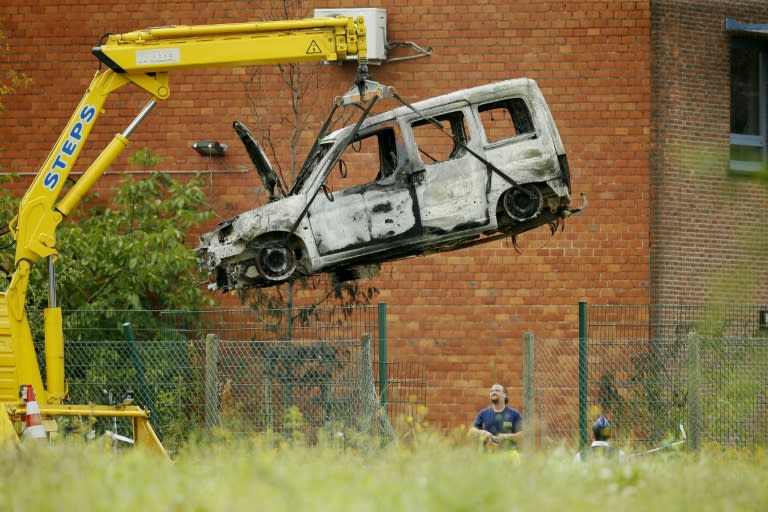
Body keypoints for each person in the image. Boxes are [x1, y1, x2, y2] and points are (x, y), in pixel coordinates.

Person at [470, 383, 523, 452]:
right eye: (492, 391)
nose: (494, 392)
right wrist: (483, 433)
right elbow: (472, 431)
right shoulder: (483, 413)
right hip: (487, 454)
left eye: (497, 390)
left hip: (509, 455)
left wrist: (506, 437)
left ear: (505, 395)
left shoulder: (514, 414)